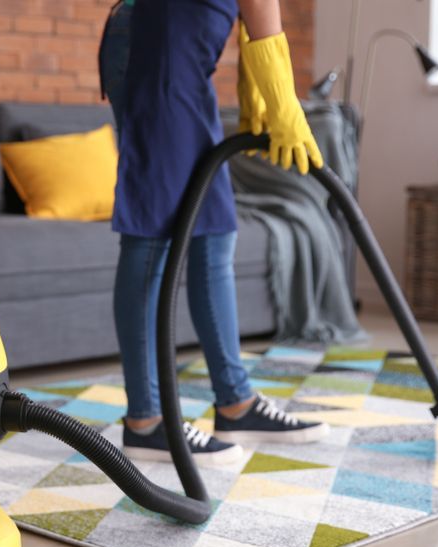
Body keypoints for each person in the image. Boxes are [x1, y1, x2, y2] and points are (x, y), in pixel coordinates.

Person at [100, 0, 329, 465]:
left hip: (181, 57)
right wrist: (283, 104)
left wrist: (261, 96)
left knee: (214, 231)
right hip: (159, 48)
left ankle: (236, 402)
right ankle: (146, 420)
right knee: (152, 234)